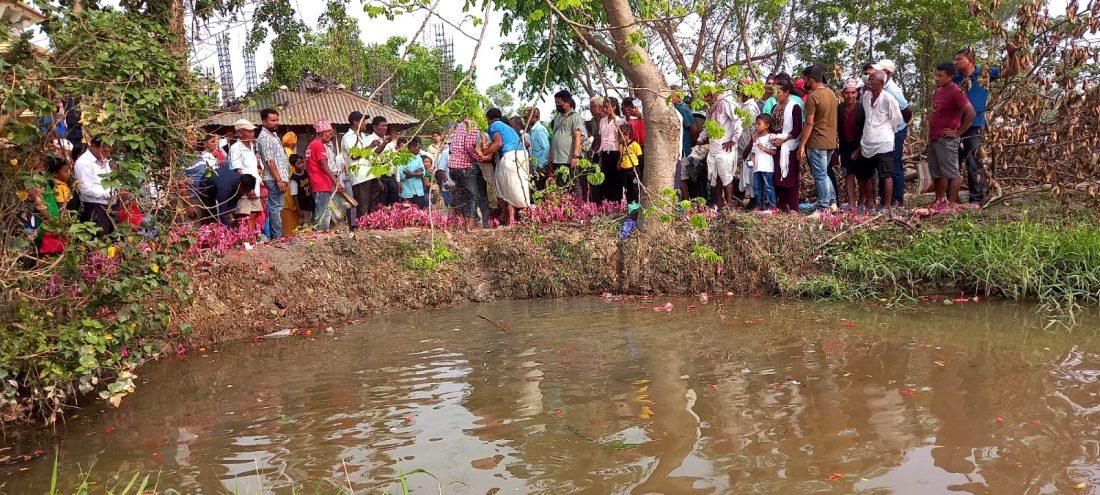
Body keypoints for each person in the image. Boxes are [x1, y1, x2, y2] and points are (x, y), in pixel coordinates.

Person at [954, 46, 1019, 204]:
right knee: (952, 163)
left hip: (974, 126)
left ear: (969, 60)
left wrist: (1012, 54)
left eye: (959, 59)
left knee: (974, 163)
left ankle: (976, 200)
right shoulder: (954, 77)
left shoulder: (984, 73)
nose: (955, 62)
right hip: (954, 127)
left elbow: (1013, 71)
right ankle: (951, 199)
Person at [929, 61, 976, 206]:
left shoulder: (956, 91)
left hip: (947, 139)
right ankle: (939, 200)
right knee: (938, 173)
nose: (937, 78)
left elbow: (971, 112)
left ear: (949, 77)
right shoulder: (938, 91)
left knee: (952, 173)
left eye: (940, 75)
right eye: (936, 75)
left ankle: (951, 203)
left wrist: (958, 132)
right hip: (934, 138)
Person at [858, 70, 904, 216]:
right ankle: (871, 203)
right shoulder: (865, 97)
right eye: (869, 80)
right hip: (867, 142)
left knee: (886, 175)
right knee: (865, 175)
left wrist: (885, 131)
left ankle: (887, 205)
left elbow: (897, 121)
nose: (869, 82)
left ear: (881, 83)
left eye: (872, 80)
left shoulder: (888, 99)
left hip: (884, 142)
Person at [480, 107, 532, 225]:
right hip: (522, 156)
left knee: (503, 188)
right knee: (519, 188)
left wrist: (482, 153)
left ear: (488, 118)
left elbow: (498, 143)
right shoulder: (508, 127)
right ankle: (518, 217)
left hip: (510, 157)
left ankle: (510, 217)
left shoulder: (493, 126)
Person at [799, 64, 839, 215]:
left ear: (810, 79)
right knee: (825, 173)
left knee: (820, 175)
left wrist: (802, 145)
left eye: (805, 79)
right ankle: (832, 202)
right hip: (830, 141)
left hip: (817, 141)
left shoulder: (813, 96)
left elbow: (809, 123)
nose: (804, 82)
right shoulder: (831, 94)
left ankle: (823, 208)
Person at [871, 59, 911, 208]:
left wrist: (897, 128)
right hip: (885, 133)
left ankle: (897, 200)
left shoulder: (892, 90)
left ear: (887, 73)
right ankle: (885, 199)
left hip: (895, 132)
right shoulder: (880, 89)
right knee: (884, 165)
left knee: (894, 164)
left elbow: (907, 110)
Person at [698, 88, 742, 210]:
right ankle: (718, 202)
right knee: (715, 176)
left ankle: (729, 203)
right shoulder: (710, 108)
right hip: (714, 148)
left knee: (726, 177)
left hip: (725, 147)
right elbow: (707, 127)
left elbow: (738, 120)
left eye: (708, 95)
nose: (706, 98)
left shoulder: (726, 102)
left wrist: (733, 140)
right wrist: (699, 141)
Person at [75, 134, 121, 235]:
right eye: (104, 150)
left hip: (110, 206)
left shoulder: (104, 160)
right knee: (99, 239)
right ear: (94, 146)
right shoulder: (84, 163)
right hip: (95, 208)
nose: (107, 153)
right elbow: (85, 189)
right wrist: (109, 194)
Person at [769, 80, 804, 212]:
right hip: (775, 146)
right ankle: (781, 205)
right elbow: (772, 126)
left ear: (787, 93)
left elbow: (797, 129)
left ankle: (793, 207)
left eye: (778, 91)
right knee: (777, 176)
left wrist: (783, 140)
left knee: (790, 176)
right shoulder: (774, 107)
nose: (776, 94)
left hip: (788, 146)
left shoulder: (795, 107)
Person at [449, 120, 490, 229]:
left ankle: (464, 223)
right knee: (473, 195)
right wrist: (480, 157)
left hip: (453, 166)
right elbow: (468, 146)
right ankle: (470, 225)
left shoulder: (459, 125)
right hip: (464, 165)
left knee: (463, 195)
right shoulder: (472, 125)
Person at [256, 109, 290, 239]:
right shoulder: (264, 138)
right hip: (274, 178)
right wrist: (279, 180)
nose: (276, 122)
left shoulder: (273, 135)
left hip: (278, 178)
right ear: (264, 121)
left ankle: (278, 235)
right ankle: (277, 236)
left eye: (277, 120)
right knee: (276, 207)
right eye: (273, 120)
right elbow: (270, 162)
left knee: (278, 207)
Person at [837, 79, 869, 211]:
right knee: (848, 174)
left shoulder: (862, 107)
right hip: (846, 146)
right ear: (843, 94)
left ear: (857, 93)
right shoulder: (840, 108)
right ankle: (851, 203)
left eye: (853, 92)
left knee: (862, 175)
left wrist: (860, 149)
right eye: (847, 93)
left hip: (861, 145)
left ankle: (862, 200)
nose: (850, 95)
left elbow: (867, 129)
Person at [305, 120, 342, 230]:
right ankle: (320, 236)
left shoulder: (311, 145)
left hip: (317, 184)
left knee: (324, 213)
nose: (331, 136)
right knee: (323, 215)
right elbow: (324, 165)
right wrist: (336, 182)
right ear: (322, 132)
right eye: (329, 133)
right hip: (322, 184)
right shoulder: (319, 145)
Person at [228, 119, 262, 232]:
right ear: (240, 132)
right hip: (244, 188)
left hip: (254, 187)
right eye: (249, 131)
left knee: (253, 213)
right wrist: (248, 188)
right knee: (243, 215)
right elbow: (237, 170)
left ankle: (250, 239)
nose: (252, 133)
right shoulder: (236, 148)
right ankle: (243, 240)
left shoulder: (252, 146)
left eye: (252, 131)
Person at [591, 96, 627, 203]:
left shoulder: (620, 121)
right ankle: (609, 203)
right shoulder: (602, 121)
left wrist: (620, 159)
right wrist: (601, 157)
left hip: (615, 153)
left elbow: (622, 142)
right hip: (604, 153)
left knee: (616, 179)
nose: (605, 110)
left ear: (614, 107)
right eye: (604, 107)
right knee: (606, 179)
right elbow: (602, 140)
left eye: (607, 107)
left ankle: (617, 202)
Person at [342, 111, 374, 224]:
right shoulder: (348, 137)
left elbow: (369, 154)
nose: (366, 123)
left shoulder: (362, 136)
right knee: (362, 206)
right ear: (356, 122)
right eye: (363, 121)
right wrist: (370, 146)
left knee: (371, 205)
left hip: (369, 174)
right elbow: (354, 155)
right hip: (359, 176)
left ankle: (369, 227)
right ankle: (360, 229)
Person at [550, 90, 585, 190]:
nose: (557, 105)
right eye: (556, 103)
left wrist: (575, 156)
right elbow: (555, 137)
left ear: (567, 103)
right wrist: (551, 155)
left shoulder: (575, 117)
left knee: (574, 184)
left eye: (559, 103)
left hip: (569, 159)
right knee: (560, 186)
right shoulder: (557, 117)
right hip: (557, 159)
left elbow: (578, 136)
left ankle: (578, 204)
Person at [736, 80, 762, 206]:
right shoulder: (743, 105)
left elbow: (754, 129)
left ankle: (754, 200)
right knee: (747, 172)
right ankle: (751, 198)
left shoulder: (750, 107)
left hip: (750, 146)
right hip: (745, 145)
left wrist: (749, 147)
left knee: (751, 172)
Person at [365, 116, 398, 208]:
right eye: (382, 126)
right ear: (374, 127)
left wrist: (398, 180)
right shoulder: (368, 140)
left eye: (386, 126)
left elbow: (395, 161)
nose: (385, 128)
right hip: (379, 178)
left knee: (393, 206)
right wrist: (377, 179)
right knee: (380, 206)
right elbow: (370, 160)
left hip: (391, 177)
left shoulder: (390, 142)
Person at [748, 114, 778, 210]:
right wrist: (752, 162)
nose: (756, 126)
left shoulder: (771, 137)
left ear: (766, 125)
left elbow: (774, 151)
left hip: (767, 167)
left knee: (768, 187)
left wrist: (764, 149)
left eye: (759, 124)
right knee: (757, 188)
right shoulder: (756, 138)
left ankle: (772, 206)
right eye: (756, 124)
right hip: (757, 167)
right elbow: (753, 153)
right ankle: (758, 205)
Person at [397, 137, 429, 208]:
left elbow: (423, 173)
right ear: (412, 147)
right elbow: (401, 175)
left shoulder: (419, 159)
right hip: (406, 192)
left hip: (419, 192)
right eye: (418, 147)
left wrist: (411, 174)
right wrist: (416, 173)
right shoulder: (401, 158)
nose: (419, 149)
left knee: (420, 212)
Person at [524, 107, 551, 190]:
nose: (525, 120)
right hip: (536, 166)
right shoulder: (533, 130)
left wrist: (540, 165)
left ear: (534, 116)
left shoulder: (539, 130)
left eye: (526, 117)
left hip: (540, 167)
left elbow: (546, 148)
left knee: (539, 190)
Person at [619, 124, 643, 204]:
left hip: (633, 170)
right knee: (627, 188)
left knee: (635, 188)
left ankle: (638, 203)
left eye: (621, 135)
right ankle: (630, 205)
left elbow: (640, 159)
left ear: (627, 135)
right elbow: (621, 156)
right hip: (624, 170)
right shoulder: (621, 146)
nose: (619, 138)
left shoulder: (635, 145)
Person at [288, 154, 314, 226]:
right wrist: (299, 209)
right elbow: (294, 195)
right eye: (299, 163)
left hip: (310, 201)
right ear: (293, 165)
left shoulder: (305, 172)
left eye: (302, 162)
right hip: (302, 205)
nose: (301, 165)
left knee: (310, 221)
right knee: (305, 223)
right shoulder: (294, 178)